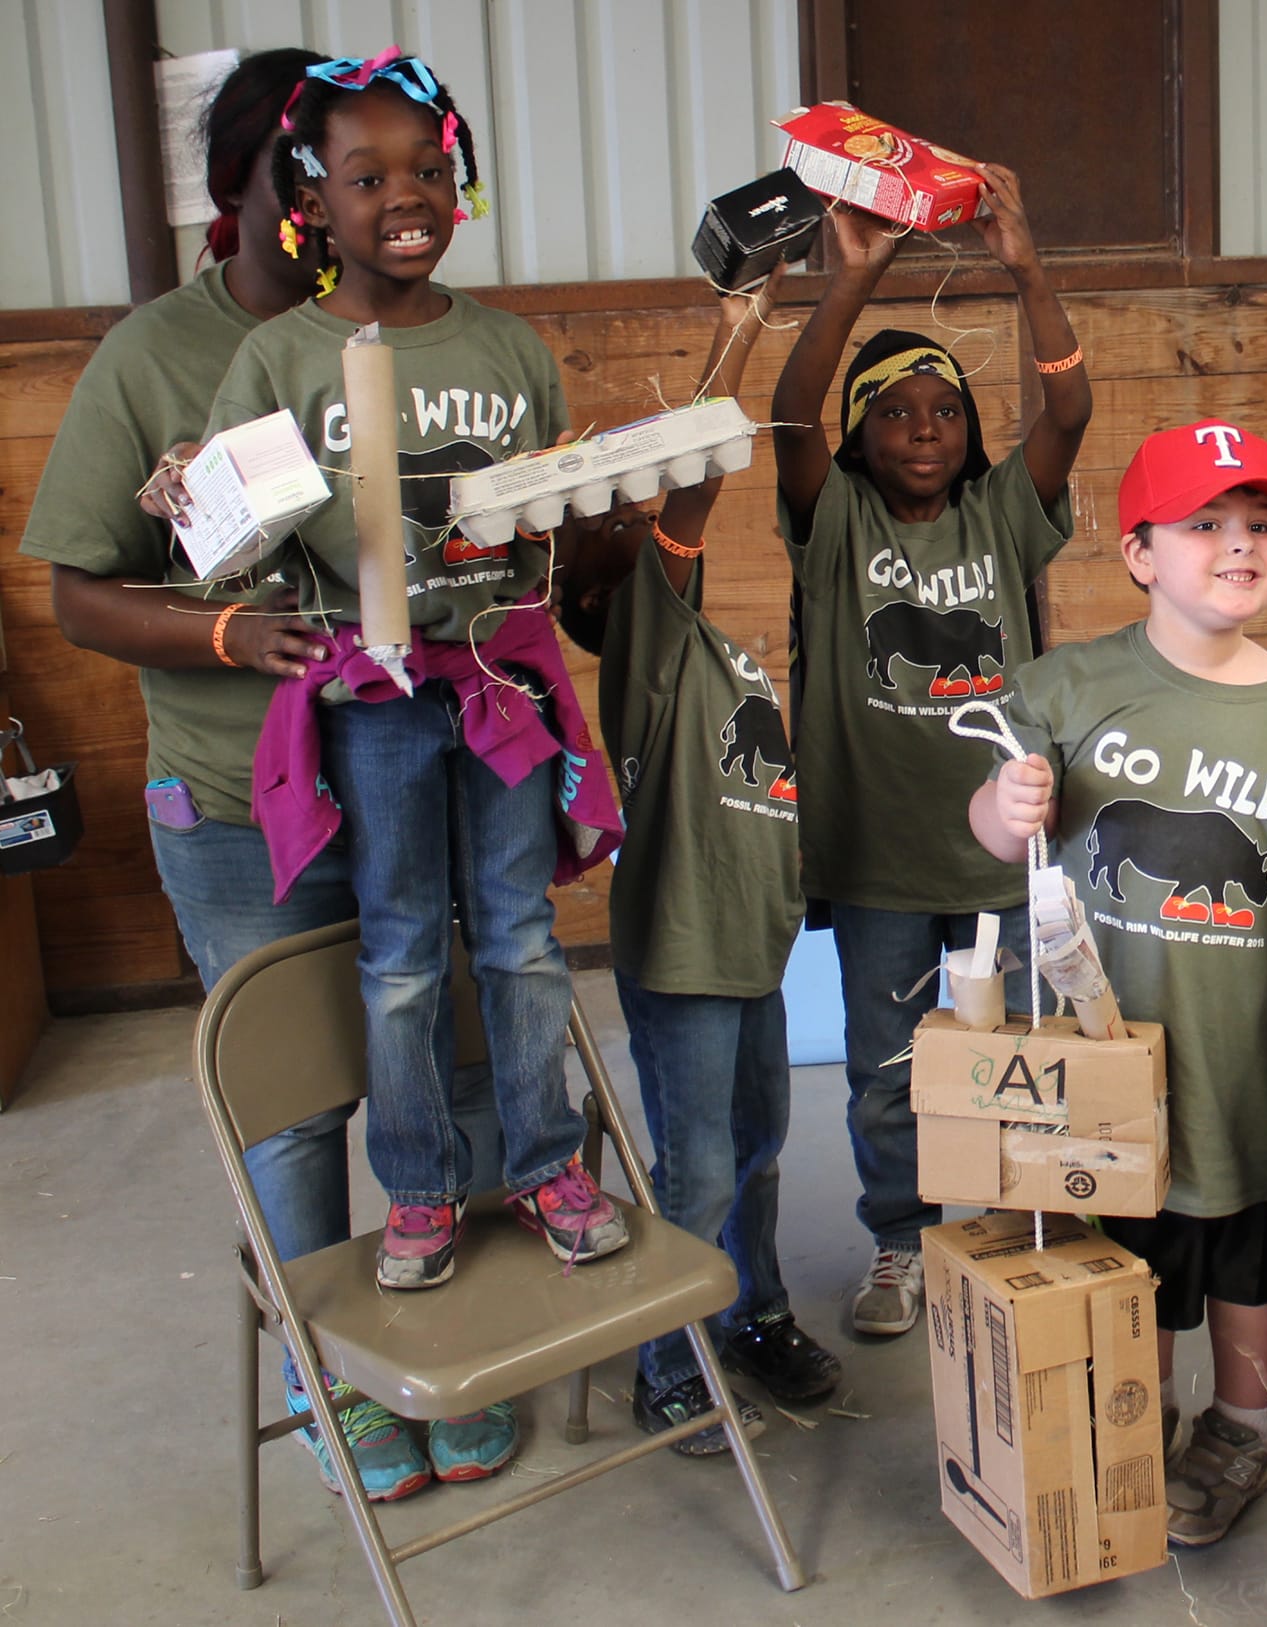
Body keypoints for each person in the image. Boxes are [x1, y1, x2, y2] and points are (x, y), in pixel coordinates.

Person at [20, 47, 512, 1502]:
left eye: (355, 180)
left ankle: (458, 1332)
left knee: (451, 1054)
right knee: (298, 1101)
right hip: (245, 803)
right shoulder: (155, 354)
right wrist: (227, 629)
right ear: (245, 188)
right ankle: (329, 1369)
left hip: (420, 777)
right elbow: (78, 595)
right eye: (301, 183)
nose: (331, 209)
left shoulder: (395, 324)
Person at [201, 49, 623, 1294]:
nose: (408, 194)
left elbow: (549, 520)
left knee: (518, 934)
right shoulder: (279, 361)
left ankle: (546, 1160)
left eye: (431, 169)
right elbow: (225, 545)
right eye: (367, 173)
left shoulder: (507, 352)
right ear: (312, 200)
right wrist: (198, 494)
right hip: (371, 706)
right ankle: (423, 1188)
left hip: (495, 683)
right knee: (397, 951)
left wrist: (573, 516)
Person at [972, 420, 1267, 1548]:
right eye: (1206, 526)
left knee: (1243, 1244)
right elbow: (997, 833)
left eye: (1260, 527)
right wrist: (1006, 811)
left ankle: (1241, 1424)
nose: (1238, 546)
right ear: (1140, 553)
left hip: (1248, 1055)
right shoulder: (1064, 686)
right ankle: (1139, 1413)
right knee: (1121, 1252)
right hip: (1101, 1061)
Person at [768, 167, 1089, 1337]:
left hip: (1000, 857)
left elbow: (1068, 417)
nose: (923, 431)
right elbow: (788, 423)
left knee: (1010, 1056)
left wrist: (1024, 266)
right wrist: (853, 276)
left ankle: (1004, 1227)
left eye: (944, 411)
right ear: (860, 432)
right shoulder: (835, 520)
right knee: (887, 1070)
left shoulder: (1001, 514)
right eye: (896, 412)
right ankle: (899, 1239)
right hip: (875, 859)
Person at [550, 266, 841, 1454]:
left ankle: (753, 1310)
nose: (649, 514)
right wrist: (739, 332)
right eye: (626, 516)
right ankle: (671, 1365)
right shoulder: (646, 644)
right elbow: (698, 477)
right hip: (681, 956)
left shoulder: (709, 649)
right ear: (609, 577)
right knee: (700, 1169)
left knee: (761, 1147)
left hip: (751, 950)